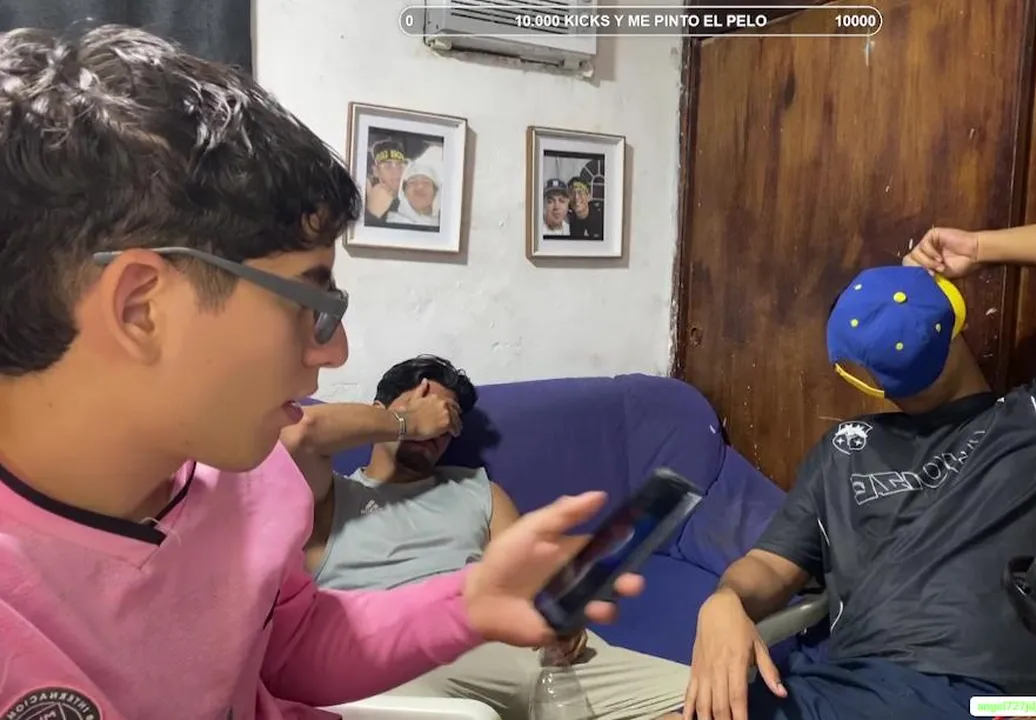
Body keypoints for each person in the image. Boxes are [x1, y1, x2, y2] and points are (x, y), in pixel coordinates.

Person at [0, 25, 642, 720]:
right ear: (142, 307)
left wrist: (470, 601)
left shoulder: (246, 482)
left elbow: (288, 644)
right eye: (310, 303)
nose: (334, 352)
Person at [682, 215, 1036, 720]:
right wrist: (725, 601)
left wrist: (980, 248)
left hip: (1006, 703)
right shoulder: (845, 449)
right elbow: (769, 565)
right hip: (845, 692)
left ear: (865, 377)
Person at [282, 355, 690, 720]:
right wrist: (408, 423)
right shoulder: (329, 496)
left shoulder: (478, 490)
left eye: (450, 421)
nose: (438, 428)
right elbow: (299, 433)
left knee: (699, 700)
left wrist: (563, 610)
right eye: (428, 408)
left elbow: (526, 579)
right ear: (379, 412)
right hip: (406, 663)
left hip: (531, 650)